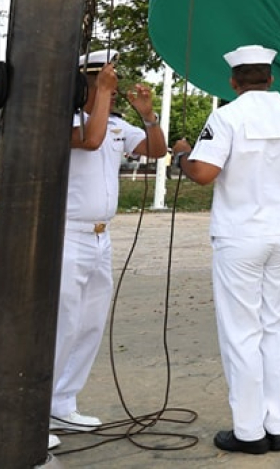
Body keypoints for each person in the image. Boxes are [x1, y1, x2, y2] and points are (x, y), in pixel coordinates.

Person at [170, 44, 280, 455]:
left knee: (241, 332)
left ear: (234, 82)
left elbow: (204, 174)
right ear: (271, 77)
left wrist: (183, 155)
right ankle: (277, 425)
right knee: (275, 327)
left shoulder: (227, 117)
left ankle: (248, 432)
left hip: (240, 238)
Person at [52, 49, 168, 448]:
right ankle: (38, 409)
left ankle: (64, 402)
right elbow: (91, 138)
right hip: (68, 235)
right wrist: (99, 94)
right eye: (106, 82)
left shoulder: (116, 125)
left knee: (90, 323)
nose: (115, 90)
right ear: (85, 82)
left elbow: (157, 150)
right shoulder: (65, 123)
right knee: (62, 323)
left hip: (102, 238)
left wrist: (148, 114)